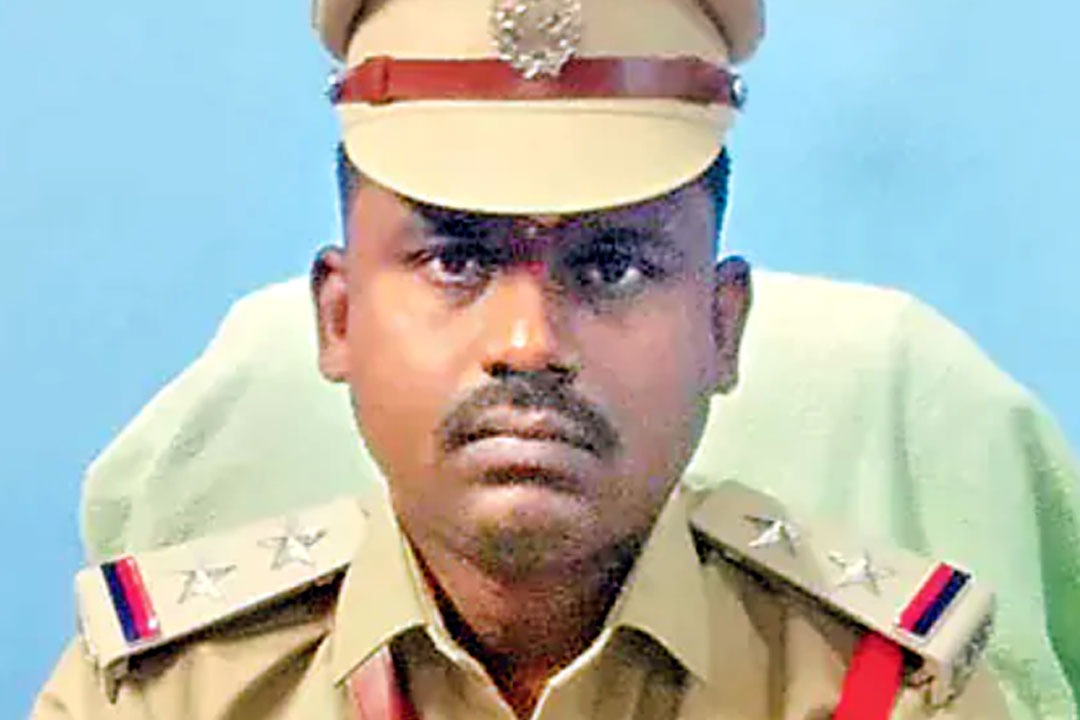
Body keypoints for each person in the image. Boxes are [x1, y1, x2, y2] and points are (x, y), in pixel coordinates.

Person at [32, 0, 1042, 716]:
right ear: (338, 318)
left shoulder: (886, 693)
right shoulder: (169, 696)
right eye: (457, 259)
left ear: (722, 328)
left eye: (612, 266)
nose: (528, 345)